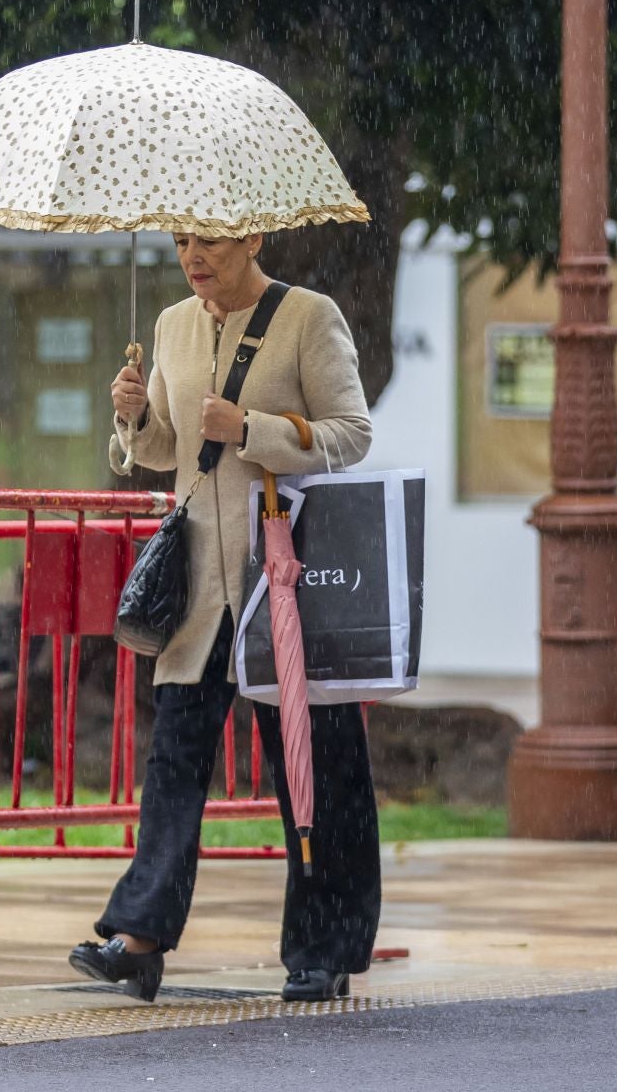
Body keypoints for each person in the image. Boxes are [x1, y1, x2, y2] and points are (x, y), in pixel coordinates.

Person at [69, 230, 379, 1003]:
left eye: (207, 238)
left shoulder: (308, 317)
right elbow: (169, 449)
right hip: (197, 592)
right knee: (173, 762)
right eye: (180, 239)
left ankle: (323, 948)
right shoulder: (173, 324)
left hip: (287, 582)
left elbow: (352, 434)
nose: (191, 255)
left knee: (314, 772)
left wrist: (250, 429)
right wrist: (135, 419)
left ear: (252, 236)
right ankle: (139, 937)